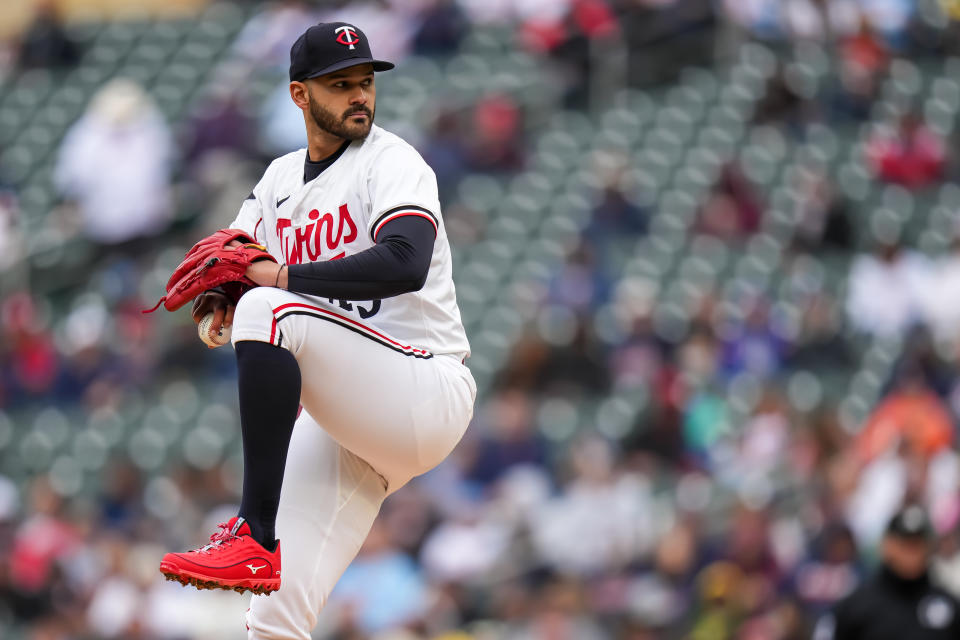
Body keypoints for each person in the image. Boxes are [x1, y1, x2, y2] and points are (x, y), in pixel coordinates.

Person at [157, 22, 476, 639]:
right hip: (350, 423)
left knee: (269, 309)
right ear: (300, 95)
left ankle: (251, 531)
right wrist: (222, 295)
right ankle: (257, 552)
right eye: (339, 84)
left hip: (424, 387)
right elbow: (229, 253)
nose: (359, 95)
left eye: (364, 82)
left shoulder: (392, 161)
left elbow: (405, 262)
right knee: (273, 617)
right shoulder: (277, 180)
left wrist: (270, 277)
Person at [814, 505, 960, 639]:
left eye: (917, 544)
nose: (911, 554)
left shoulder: (949, 605)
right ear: (887, 546)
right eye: (905, 544)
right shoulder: (856, 606)